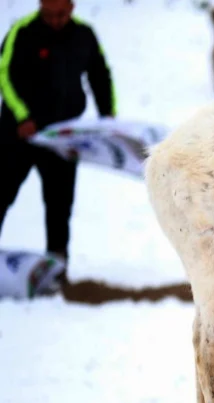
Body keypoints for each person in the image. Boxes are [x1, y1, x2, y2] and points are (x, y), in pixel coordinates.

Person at [0, 0, 116, 289]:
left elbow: (100, 74)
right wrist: (22, 117)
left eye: (62, 14)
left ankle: (56, 270)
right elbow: (5, 74)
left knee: (59, 205)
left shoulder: (84, 35)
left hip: (62, 138)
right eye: (49, 14)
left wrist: (108, 118)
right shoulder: (22, 32)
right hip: (19, 134)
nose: (55, 20)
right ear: (40, 6)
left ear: (72, 7)